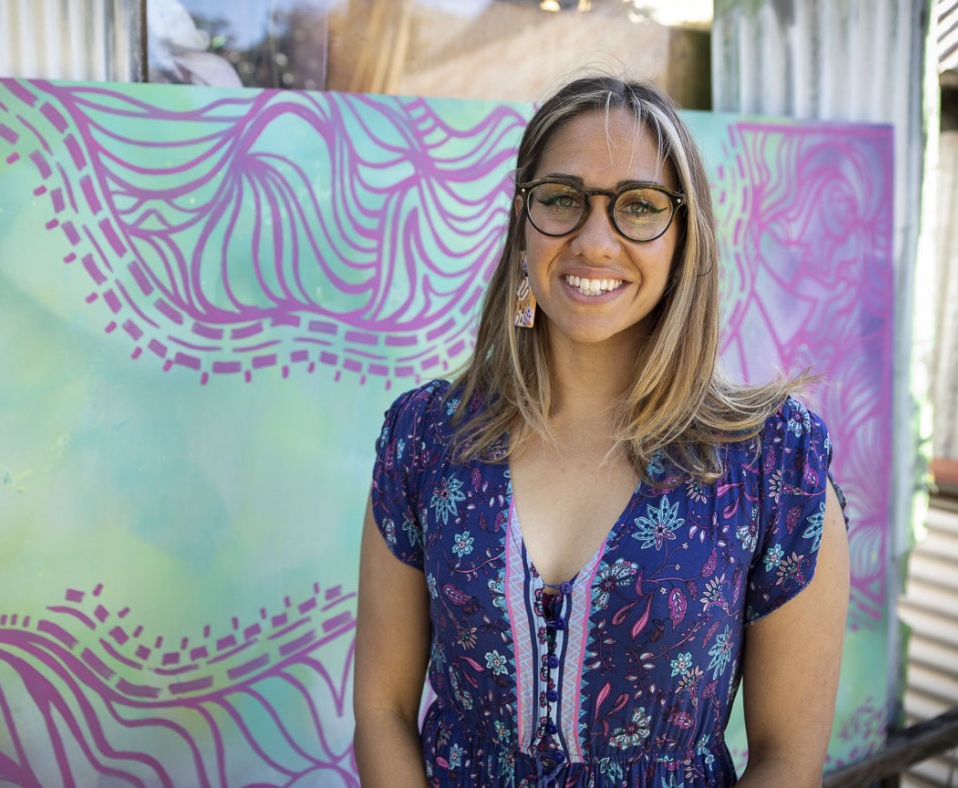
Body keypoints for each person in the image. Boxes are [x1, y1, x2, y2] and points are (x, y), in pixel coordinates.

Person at [353, 75, 850, 787]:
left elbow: (787, 759)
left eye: (639, 207)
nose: (594, 240)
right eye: (561, 199)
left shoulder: (774, 464)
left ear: (684, 238)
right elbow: (381, 707)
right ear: (523, 223)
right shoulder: (426, 438)